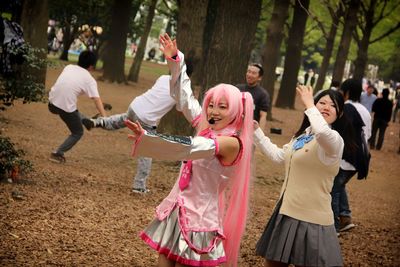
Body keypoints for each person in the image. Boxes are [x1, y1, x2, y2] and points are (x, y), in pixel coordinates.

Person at [125, 33, 255, 267]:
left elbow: (190, 148)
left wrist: (148, 138)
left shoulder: (231, 142)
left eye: (222, 107)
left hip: (200, 220)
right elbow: (184, 97)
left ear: (237, 111)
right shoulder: (207, 125)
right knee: (163, 260)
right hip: (178, 207)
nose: (214, 111)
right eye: (211, 105)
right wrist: (175, 60)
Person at [255, 87, 353, 267]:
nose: (326, 107)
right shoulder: (302, 136)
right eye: (322, 102)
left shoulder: (334, 141)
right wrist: (256, 132)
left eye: (333, 105)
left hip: (313, 220)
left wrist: (310, 104)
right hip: (286, 212)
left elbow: (323, 132)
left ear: (339, 114)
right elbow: (279, 157)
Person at [81, 62, 193, 194]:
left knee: (122, 120)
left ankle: (98, 122)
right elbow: (181, 109)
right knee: (147, 152)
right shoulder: (183, 90)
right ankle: (139, 186)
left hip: (135, 106)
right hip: (146, 119)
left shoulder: (163, 78)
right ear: (188, 76)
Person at [48, 50, 107, 163]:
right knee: (77, 132)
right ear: (91, 66)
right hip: (65, 109)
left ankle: (86, 121)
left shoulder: (69, 67)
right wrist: (105, 117)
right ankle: (57, 153)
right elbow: (96, 99)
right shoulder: (89, 80)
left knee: (72, 109)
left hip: (51, 103)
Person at [331, 78, 371, 234]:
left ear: (346, 92)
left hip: (346, 156)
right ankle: (345, 217)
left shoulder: (345, 108)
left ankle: (333, 227)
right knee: (340, 185)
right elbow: (367, 135)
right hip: (360, 157)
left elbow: (337, 134)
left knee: (333, 190)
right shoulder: (365, 110)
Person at [236, 63, 270, 132]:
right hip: (235, 128)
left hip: (250, 130)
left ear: (259, 77)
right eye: (249, 72)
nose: (250, 75)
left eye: (254, 73)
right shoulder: (237, 88)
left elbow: (263, 116)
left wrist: (260, 135)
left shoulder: (263, 94)